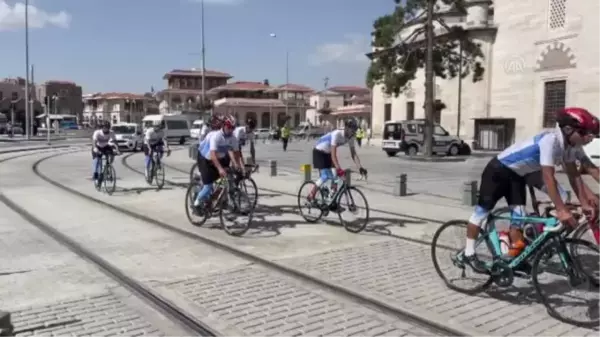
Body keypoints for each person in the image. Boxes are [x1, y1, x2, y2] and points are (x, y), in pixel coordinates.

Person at [463, 107, 599, 272]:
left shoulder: (570, 146)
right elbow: (548, 176)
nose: (589, 137)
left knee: (519, 216)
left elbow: (574, 176)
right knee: (481, 213)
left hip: (518, 175)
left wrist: (584, 202)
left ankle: (515, 257)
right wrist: (561, 210)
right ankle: (468, 253)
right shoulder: (550, 140)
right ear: (569, 130)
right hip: (498, 170)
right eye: (585, 133)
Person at [308, 118, 368, 202]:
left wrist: (360, 167)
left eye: (355, 130)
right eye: (352, 129)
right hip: (319, 151)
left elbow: (353, 154)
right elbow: (333, 155)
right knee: (325, 176)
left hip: (328, 153)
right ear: (346, 127)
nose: (354, 132)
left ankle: (332, 200)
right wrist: (339, 168)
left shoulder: (350, 137)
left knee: (335, 176)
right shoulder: (337, 134)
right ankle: (311, 195)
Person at [193, 115, 244, 209]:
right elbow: (212, 155)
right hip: (205, 158)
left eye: (233, 128)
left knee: (225, 181)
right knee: (208, 186)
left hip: (218, 157)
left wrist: (240, 166)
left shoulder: (233, 138)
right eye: (229, 127)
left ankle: (215, 200)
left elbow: (237, 153)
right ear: (224, 126)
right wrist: (220, 169)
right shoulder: (216, 136)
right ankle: (197, 202)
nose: (231, 130)